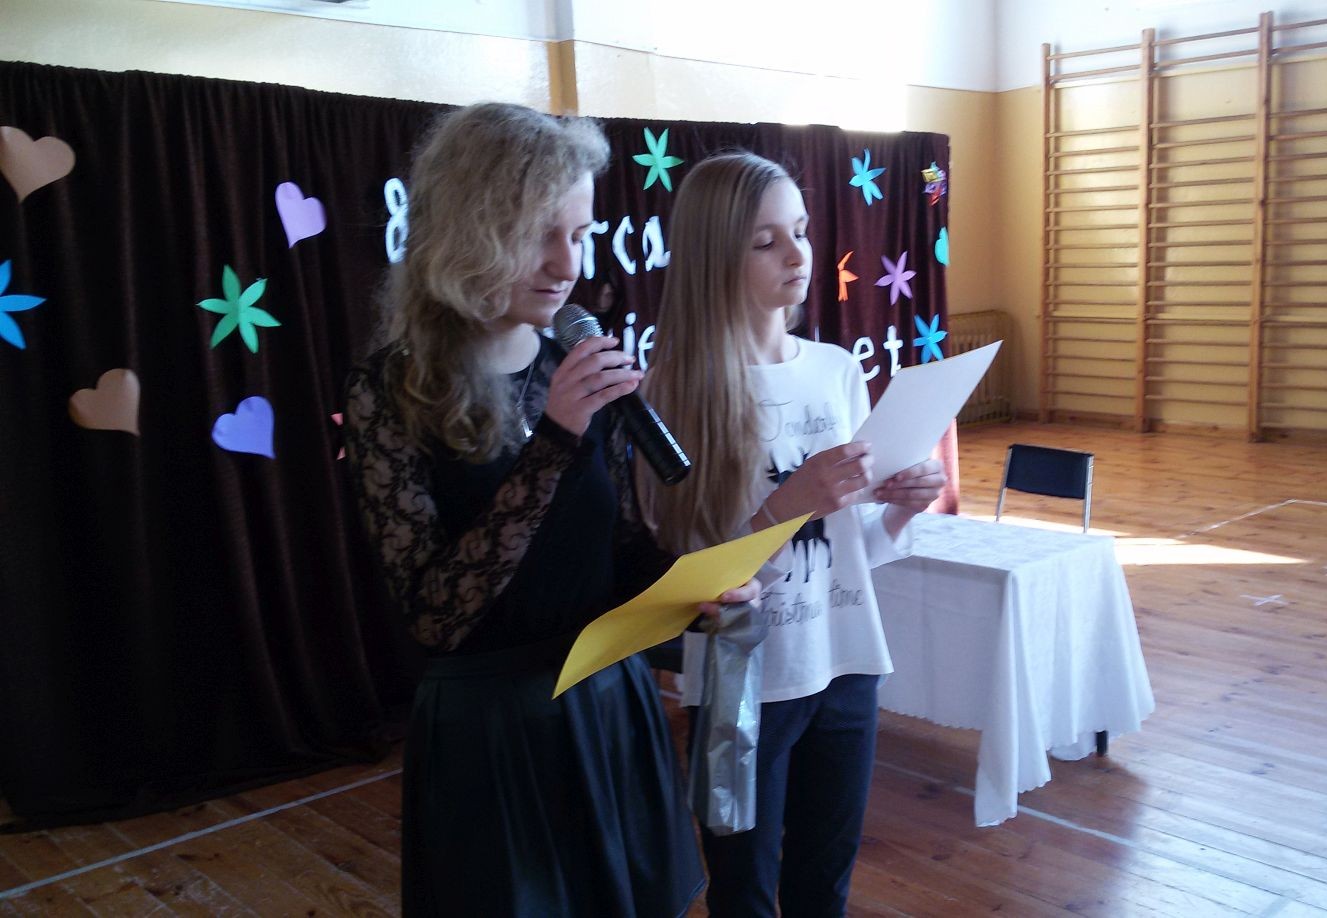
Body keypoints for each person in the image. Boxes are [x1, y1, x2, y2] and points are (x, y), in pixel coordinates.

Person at [343, 103, 752, 917]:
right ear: (470, 231)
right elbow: (434, 617)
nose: (568, 264)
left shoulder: (575, 365)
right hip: (493, 732)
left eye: (581, 233)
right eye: (540, 235)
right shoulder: (391, 390)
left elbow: (617, 551)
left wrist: (694, 591)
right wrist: (556, 439)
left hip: (607, 706)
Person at [640, 152, 947, 917]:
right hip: (742, 681)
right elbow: (686, 579)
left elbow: (853, 546)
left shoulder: (837, 370)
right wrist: (790, 504)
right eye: (765, 240)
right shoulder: (674, 393)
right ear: (715, 256)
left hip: (846, 662)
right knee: (743, 887)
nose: (797, 253)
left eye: (801, 232)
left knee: (824, 880)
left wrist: (902, 507)